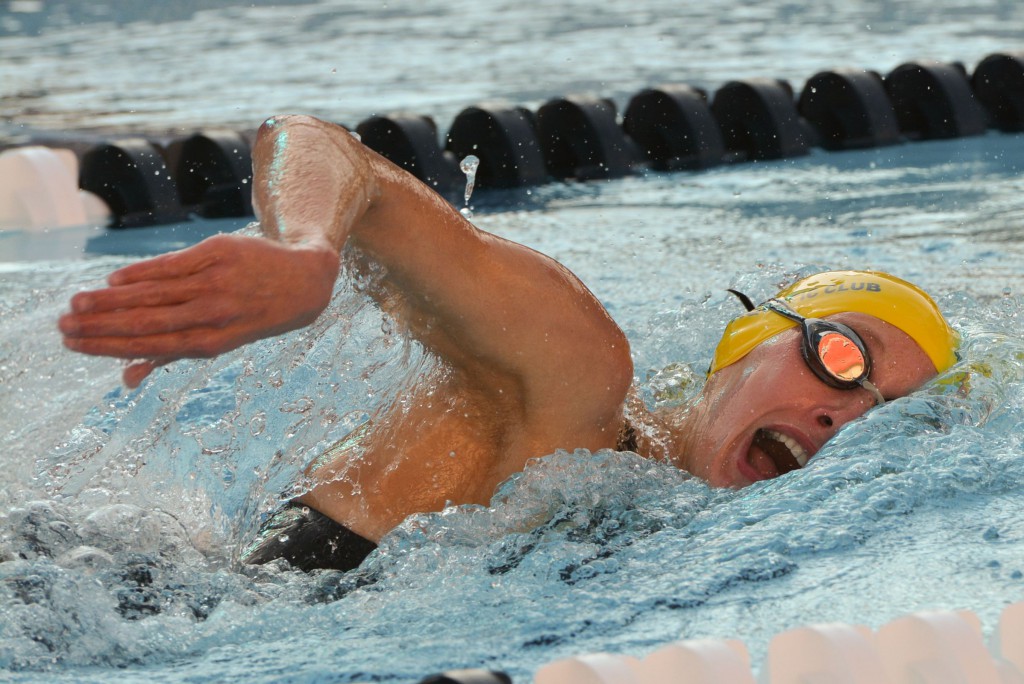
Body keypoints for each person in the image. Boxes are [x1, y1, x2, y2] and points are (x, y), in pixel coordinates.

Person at [58, 114, 959, 572]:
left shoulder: (668, 515)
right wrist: (307, 251)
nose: (846, 411)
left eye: (884, 417)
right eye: (844, 357)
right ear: (749, 340)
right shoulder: (576, 375)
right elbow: (324, 146)